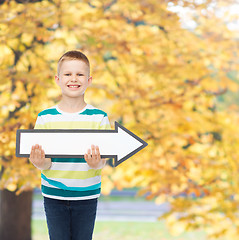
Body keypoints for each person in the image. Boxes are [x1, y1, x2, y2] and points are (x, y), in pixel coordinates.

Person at [29, 50, 111, 240]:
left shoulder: (99, 117)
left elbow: (103, 161)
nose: (73, 79)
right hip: (54, 195)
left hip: (87, 195)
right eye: (68, 74)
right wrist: (39, 163)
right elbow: (44, 162)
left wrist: (96, 163)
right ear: (57, 79)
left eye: (79, 74)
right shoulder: (45, 117)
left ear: (89, 80)